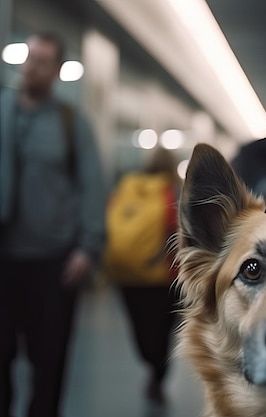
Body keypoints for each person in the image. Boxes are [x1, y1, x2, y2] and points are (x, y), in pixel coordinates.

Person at [0, 33, 105, 417]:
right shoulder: (3, 110)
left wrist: (88, 247)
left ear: (57, 70)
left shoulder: (71, 123)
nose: (31, 66)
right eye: (28, 57)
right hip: (3, 257)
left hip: (53, 261)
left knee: (49, 359)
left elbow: (93, 186)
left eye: (42, 61)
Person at [105, 147, 180, 405]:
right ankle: (157, 371)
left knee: (140, 326)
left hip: (127, 273)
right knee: (162, 331)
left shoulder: (128, 186)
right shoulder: (175, 190)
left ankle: (150, 361)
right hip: (165, 276)